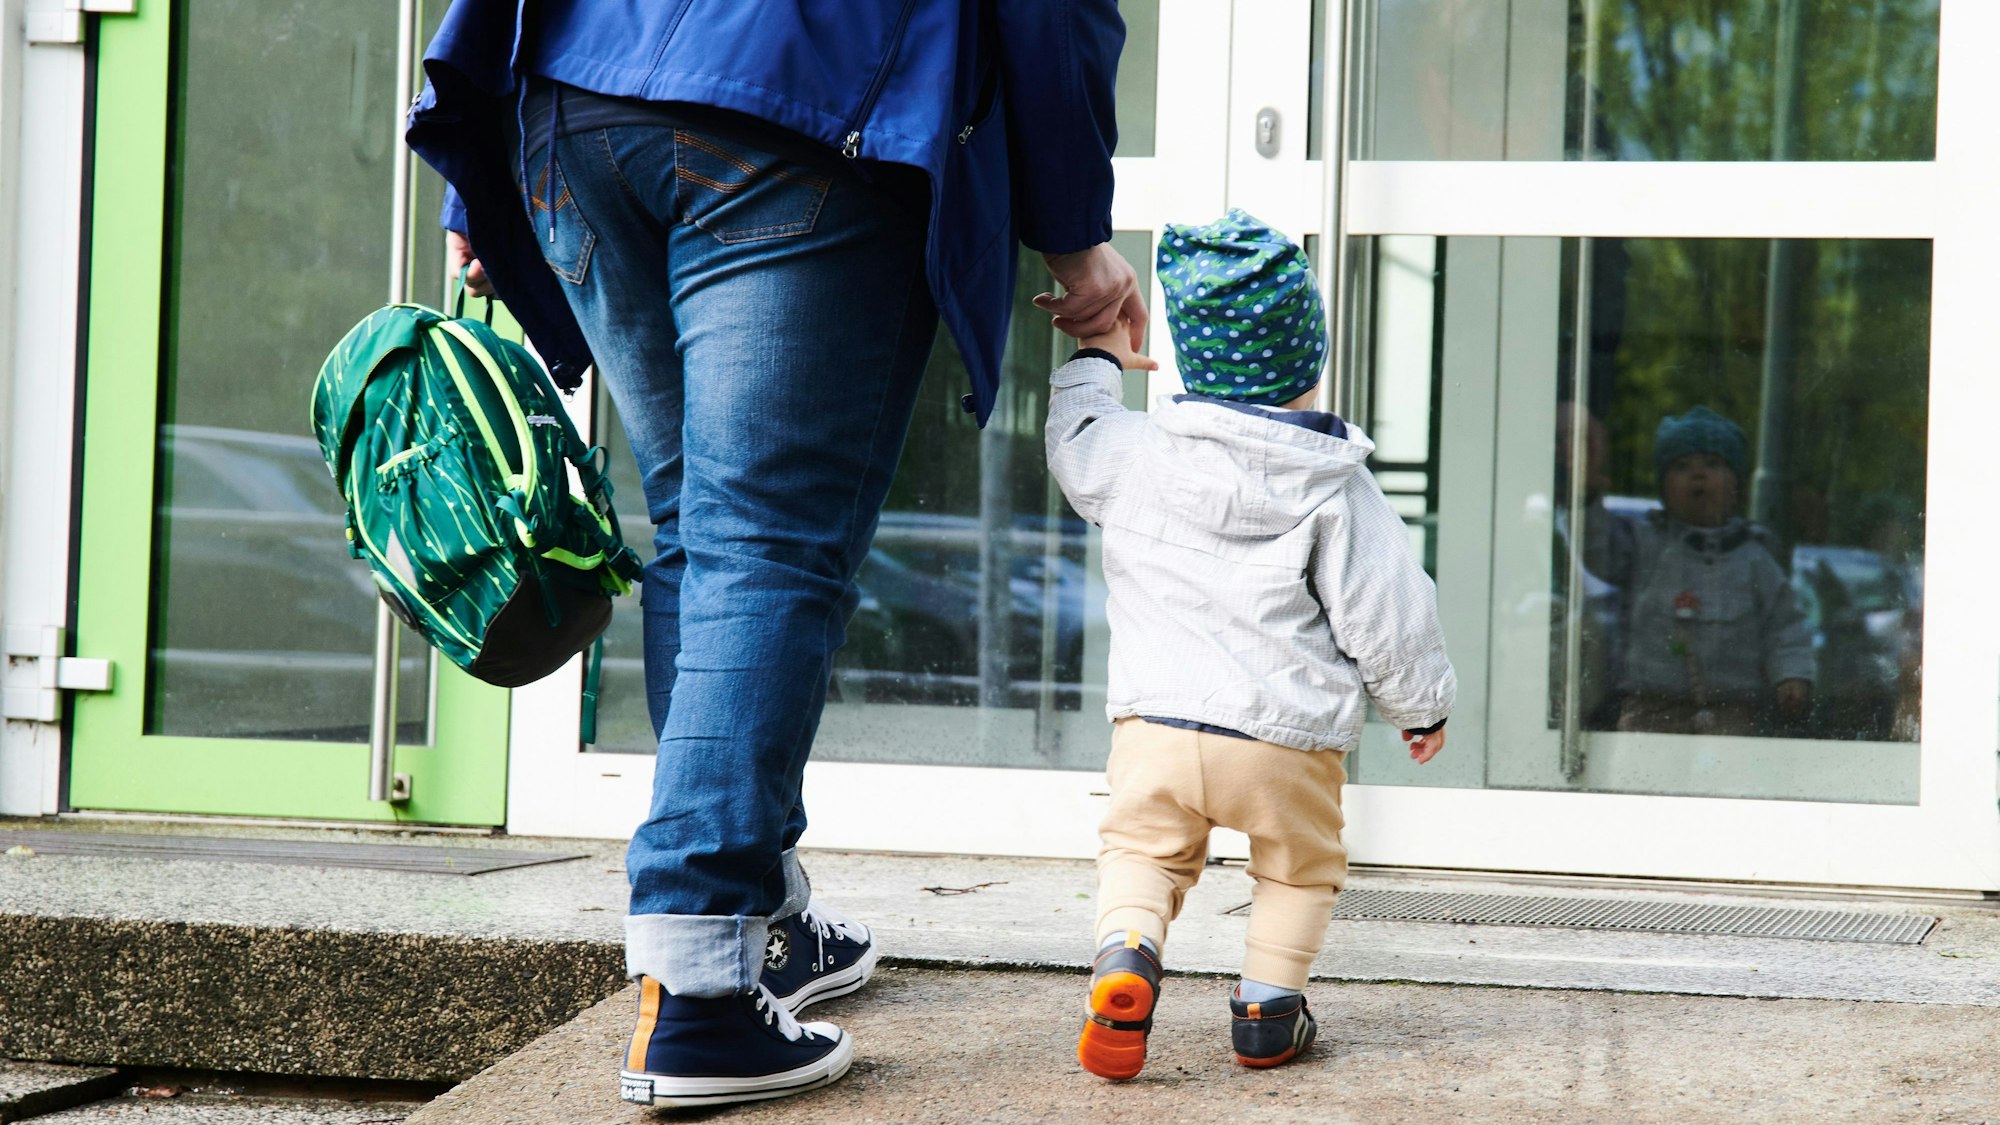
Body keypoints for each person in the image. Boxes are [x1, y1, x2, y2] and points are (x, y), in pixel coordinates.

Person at [404, 1, 1146, 1109]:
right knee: (761, 544)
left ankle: (762, 924)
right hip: (797, 106)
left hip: (577, 108)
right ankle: (699, 985)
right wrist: (1075, 233)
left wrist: (478, 173)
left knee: (706, 533)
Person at [1042, 211, 1456, 1080]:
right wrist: (1420, 706)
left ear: (1192, 360)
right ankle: (1267, 1010)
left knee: (1140, 853)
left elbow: (1076, 443)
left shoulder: (1140, 455)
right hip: (1284, 741)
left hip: (1156, 727)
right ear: (1310, 361)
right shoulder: (1336, 485)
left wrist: (1099, 358)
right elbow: (1388, 611)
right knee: (1300, 871)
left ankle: (1126, 955)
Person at [1604, 406, 1814, 735]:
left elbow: (1784, 626)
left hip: (1733, 712)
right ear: (1663, 489)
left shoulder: (1755, 558)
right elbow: (1595, 553)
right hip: (1651, 708)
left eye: (1713, 464)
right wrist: (1585, 496)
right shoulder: (1643, 545)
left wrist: (1792, 675)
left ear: (1736, 486)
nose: (1698, 475)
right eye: (1682, 466)